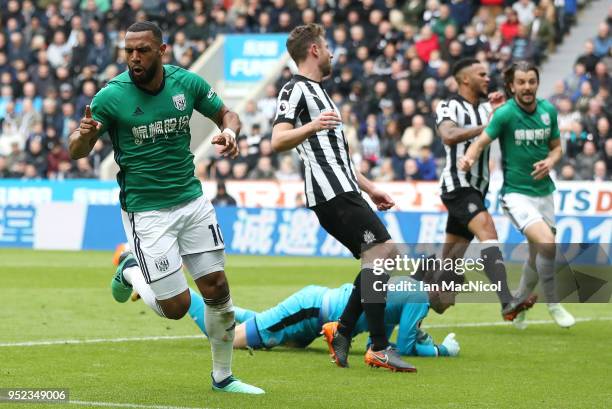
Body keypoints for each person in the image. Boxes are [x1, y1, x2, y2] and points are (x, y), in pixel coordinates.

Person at [68, 21, 264, 394]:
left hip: (191, 201)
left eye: (142, 50)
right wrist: (85, 136)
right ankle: (130, 269)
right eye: (129, 51)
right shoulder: (111, 96)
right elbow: (77, 149)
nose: (134, 58)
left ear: (162, 50)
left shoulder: (185, 83)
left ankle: (223, 377)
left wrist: (232, 133)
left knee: (218, 288)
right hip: (147, 212)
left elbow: (227, 114)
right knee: (175, 306)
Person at [271, 23, 414, 372]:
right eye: (327, 46)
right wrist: (313, 126)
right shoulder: (295, 89)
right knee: (383, 252)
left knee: (378, 257)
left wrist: (371, 187)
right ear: (314, 50)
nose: (333, 53)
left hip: (345, 187)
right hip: (329, 193)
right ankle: (378, 345)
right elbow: (278, 139)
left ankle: (345, 330)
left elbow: (339, 159)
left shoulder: (322, 94)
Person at [116, 251, 462, 359]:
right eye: (455, 290)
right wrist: (443, 350)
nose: (455, 299)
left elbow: (379, 341)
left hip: (315, 314)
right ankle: (137, 272)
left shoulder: (408, 288)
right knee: (227, 338)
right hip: (314, 310)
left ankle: (148, 278)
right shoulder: (417, 294)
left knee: (246, 324)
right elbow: (404, 347)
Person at [459, 61, 575, 329]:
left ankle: (519, 303)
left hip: (545, 193)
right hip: (516, 195)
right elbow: (481, 141)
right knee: (547, 242)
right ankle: (554, 304)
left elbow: (557, 148)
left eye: (531, 82)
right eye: (521, 82)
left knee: (537, 253)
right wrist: (468, 157)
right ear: (512, 86)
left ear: (537, 83)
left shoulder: (548, 111)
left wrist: (551, 161)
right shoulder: (505, 114)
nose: (527, 87)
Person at [435, 58, 537, 321]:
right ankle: (506, 301)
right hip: (458, 185)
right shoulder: (449, 106)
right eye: (482, 74)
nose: (487, 78)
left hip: (478, 189)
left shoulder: (486, 110)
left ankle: (402, 303)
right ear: (465, 79)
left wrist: (502, 113)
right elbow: (447, 134)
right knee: (488, 231)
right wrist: (489, 127)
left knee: (447, 279)